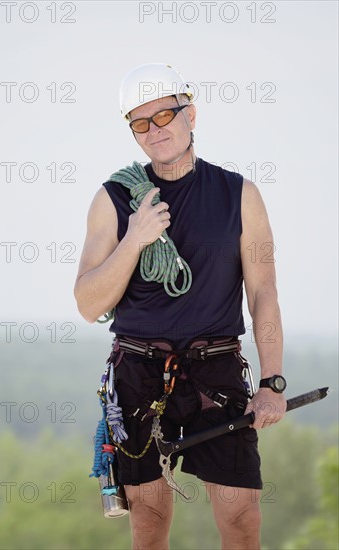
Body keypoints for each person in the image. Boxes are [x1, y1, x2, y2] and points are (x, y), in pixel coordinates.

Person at [74, 63, 287, 550]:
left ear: (190, 115)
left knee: (240, 519)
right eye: (140, 123)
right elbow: (88, 303)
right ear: (132, 132)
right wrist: (134, 241)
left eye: (165, 115)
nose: (155, 131)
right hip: (138, 372)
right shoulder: (114, 200)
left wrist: (273, 382)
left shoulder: (240, 196)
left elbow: (263, 294)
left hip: (216, 369)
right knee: (147, 522)